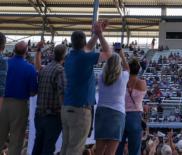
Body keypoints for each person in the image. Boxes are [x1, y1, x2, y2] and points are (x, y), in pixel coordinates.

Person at [60, 20, 112, 155]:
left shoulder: (69, 57)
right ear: (83, 44)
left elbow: (87, 47)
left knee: (65, 147)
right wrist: (100, 35)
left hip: (67, 107)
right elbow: (108, 53)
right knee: (75, 150)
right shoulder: (85, 58)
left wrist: (97, 34)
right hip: (80, 110)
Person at [0, 42, 37, 155]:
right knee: (16, 140)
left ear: (13, 51)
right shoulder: (30, 68)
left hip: (0, 103)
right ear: (27, 52)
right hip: (20, 105)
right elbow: (32, 92)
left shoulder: (3, 64)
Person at [32, 43, 68, 155]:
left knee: (37, 146)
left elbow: (37, 65)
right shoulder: (61, 71)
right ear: (64, 57)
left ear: (53, 55)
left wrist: (38, 49)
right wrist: (64, 111)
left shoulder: (44, 69)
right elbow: (62, 92)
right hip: (53, 115)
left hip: (39, 114)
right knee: (48, 148)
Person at [95, 48, 129, 155]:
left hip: (101, 112)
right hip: (117, 113)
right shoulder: (123, 77)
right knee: (111, 152)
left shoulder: (100, 75)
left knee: (99, 152)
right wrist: (122, 56)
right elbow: (128, 69)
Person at [115, 56, 147, 155]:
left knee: (117, 150)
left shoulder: (121, 82)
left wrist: (123, 58)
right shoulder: (142, 84)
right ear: (138, 70)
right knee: (135, 150)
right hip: (135, 116)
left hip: (120, 115)